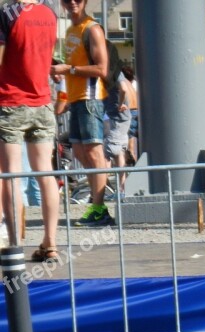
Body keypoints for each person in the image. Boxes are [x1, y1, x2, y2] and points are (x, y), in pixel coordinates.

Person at [0, 0, 59, 260]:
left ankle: (14, 245)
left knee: (11, 175)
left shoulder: (7, 13)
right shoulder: (50, 13)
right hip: (43, 102)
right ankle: (51, 243)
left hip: (10, 102)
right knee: (45, 173)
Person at [50, 0, 113, 228]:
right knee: (78, 151)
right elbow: (73, 67)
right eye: (67, 0)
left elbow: (102, 68)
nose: (72, 3)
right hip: (77, 100)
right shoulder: (70, 30)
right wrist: (63, 75)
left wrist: (69, 70)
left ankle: (99, 208)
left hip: (91, 98)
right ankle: (98, 205)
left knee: (94, 153)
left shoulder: (92, 28)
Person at [103, 71, 132, 194]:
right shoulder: (115, 72)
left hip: (117, 117)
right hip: (118, 117)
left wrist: (120, 104)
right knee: (118, 152)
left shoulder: (115, 72)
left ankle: (103, 188)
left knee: (107, 153)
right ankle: (121, 187)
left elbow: (124, 89)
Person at [121, 66, 138, 163]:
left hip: (129, 112)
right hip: (136, 111)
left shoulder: (123, 84)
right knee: (132, 146)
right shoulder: (132, 85)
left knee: (127, 149)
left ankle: (129, 172)